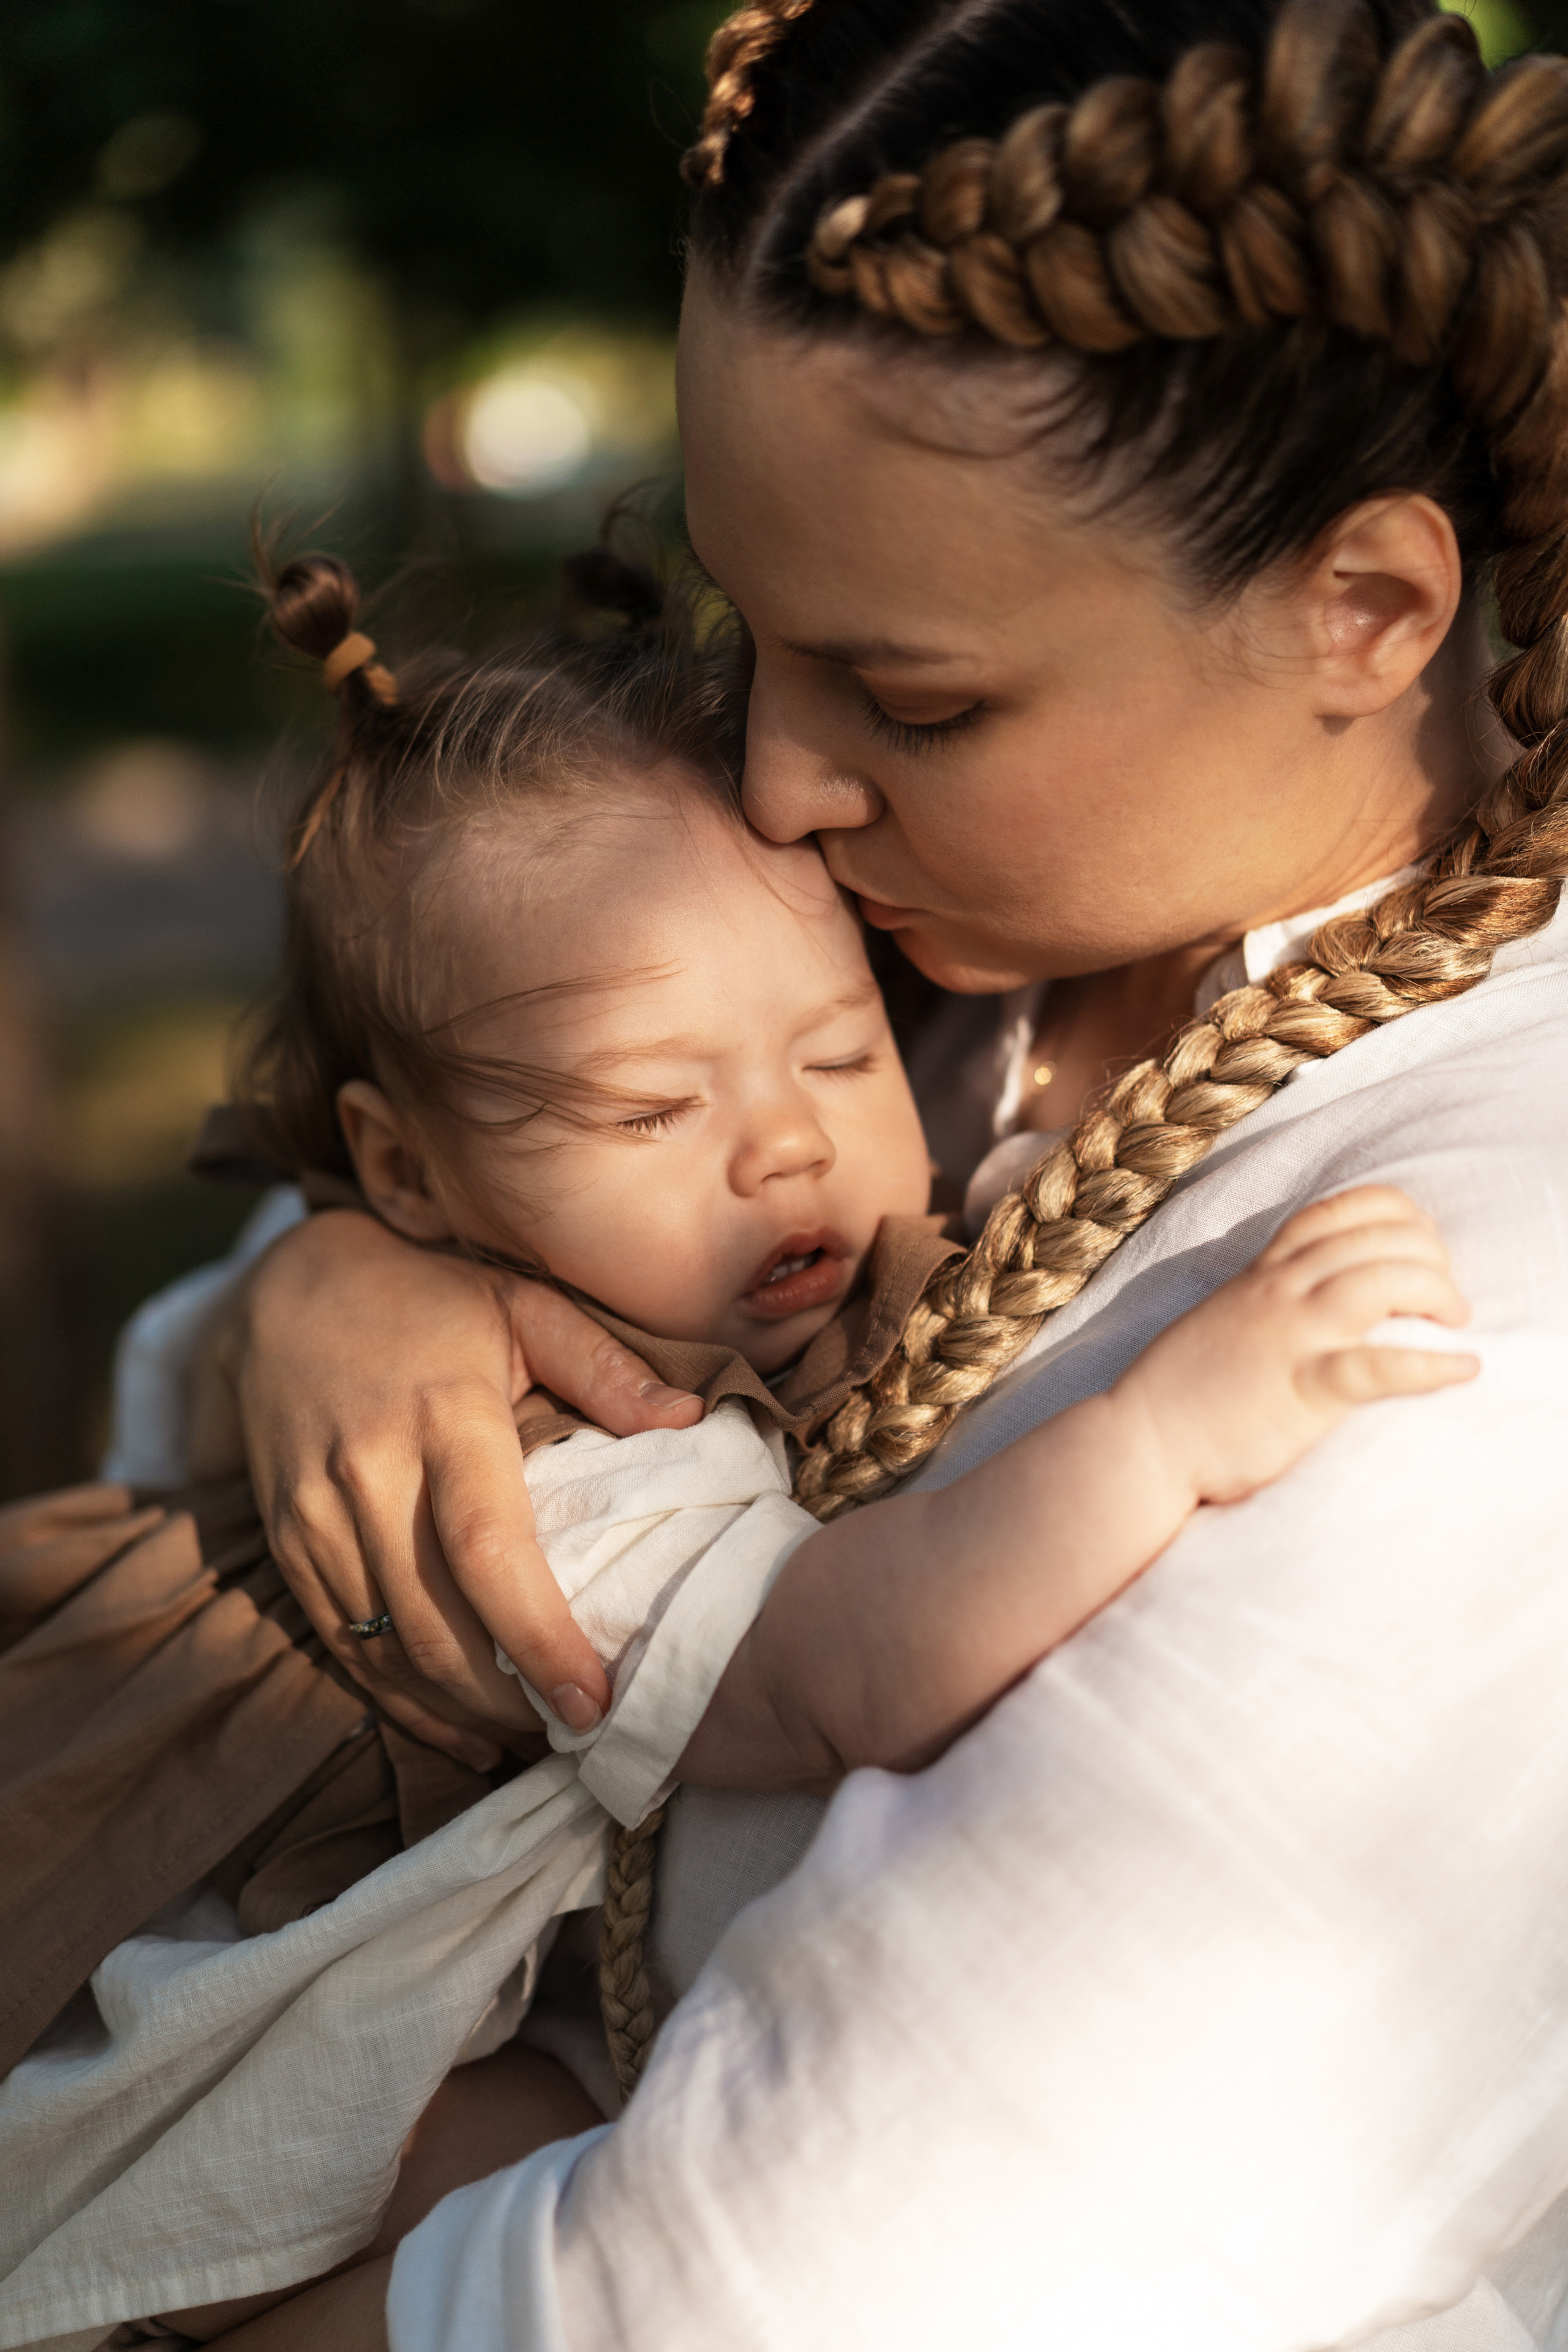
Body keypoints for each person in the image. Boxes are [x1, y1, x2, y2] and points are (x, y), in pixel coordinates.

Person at [101, 0, 1568, 2345]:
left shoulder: (1495, 1299)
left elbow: (804, 2293)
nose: (777, 787)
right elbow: (188, 1412)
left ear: (1366, 612)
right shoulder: (943, 952)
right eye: (748, 634)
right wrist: (342, 1297)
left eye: (916, 700)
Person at [0, 537, 1463, 2348]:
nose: (780, 1146)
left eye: (840, 1054)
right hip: (271, 2075)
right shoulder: (565, 1454)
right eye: (652, 1104)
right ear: (403, 1175)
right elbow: (849, 1661)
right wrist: (1169, 1428)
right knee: (460, 2164)